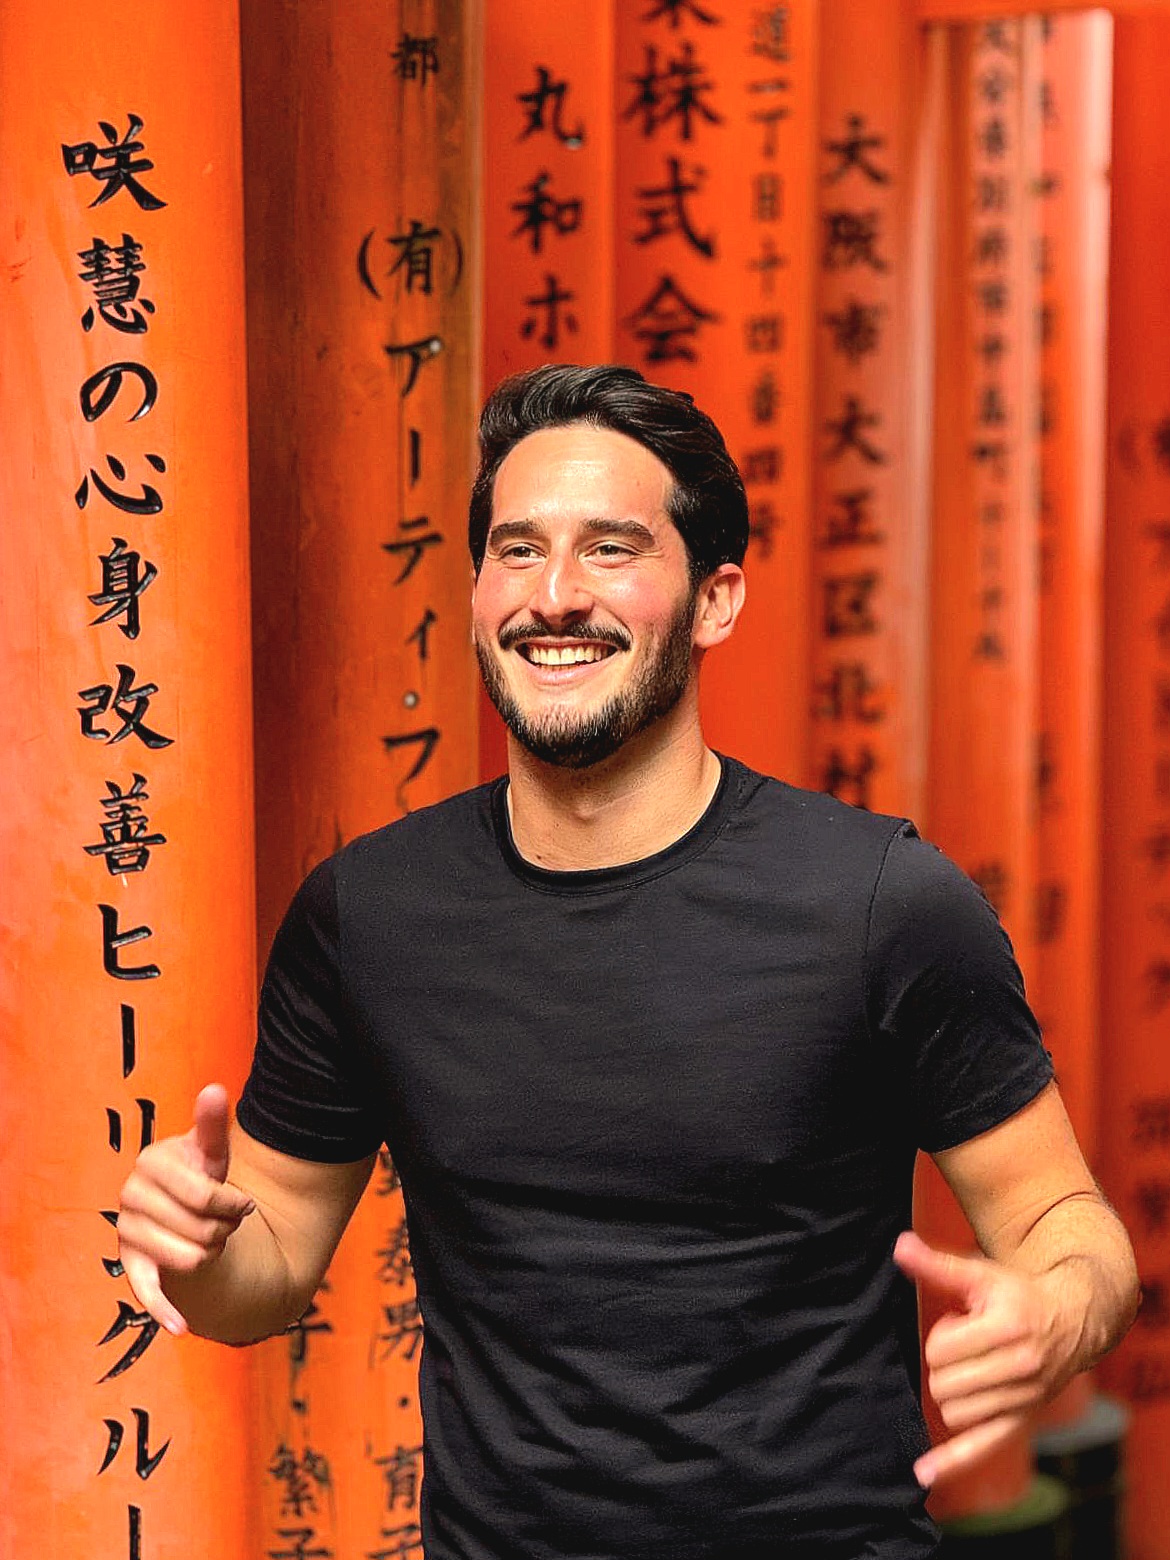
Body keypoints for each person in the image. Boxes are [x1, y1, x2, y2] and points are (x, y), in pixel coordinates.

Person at [118, 365, 1138, 1560]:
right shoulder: (367, 914)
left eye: (611, 549)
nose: (555, 596)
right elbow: (271, 1263)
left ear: (715, 600)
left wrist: (1055, 1309)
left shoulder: (882, 904)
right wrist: (196, 1254)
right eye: (518, 551)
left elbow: (1066, 1224)